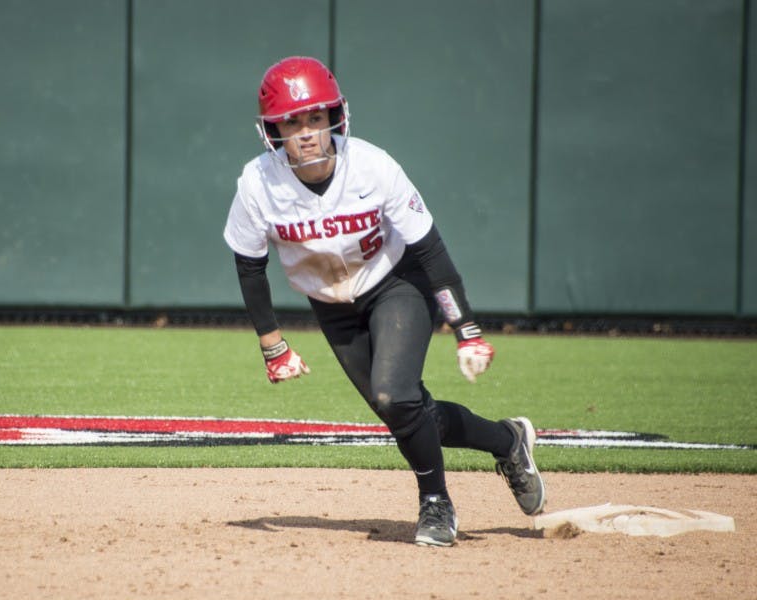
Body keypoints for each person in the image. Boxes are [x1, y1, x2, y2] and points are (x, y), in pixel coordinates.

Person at [223, 56, 546, 547]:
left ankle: (436, 504)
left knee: (394, 395)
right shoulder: (257, 183)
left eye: (315, 117)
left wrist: (466, 328)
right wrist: (273, 345)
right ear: (273, 128)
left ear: (336, 116)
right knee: (406, 411)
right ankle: (508, 441)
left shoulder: (372, 167)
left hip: (396, 282)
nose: (306, 132)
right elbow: (249, 265)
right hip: (332, 306)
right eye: (292, 120)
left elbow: (430, 250)